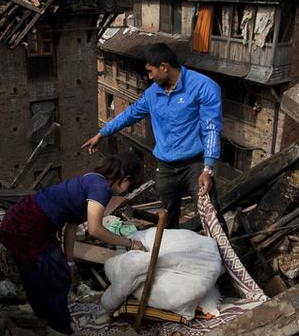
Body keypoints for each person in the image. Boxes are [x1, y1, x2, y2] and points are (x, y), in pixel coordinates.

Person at [81, 43, 224, 229]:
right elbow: (130, 114)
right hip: (165, 167)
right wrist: (102, 133)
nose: (149, 76)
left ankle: (225, 256)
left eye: (150, 71)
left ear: (163, 67)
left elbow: (211, 128)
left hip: (195, 165)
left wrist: (208, 169)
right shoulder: (152, 93)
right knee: (167, 218)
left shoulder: (203, 86)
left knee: (210, 214)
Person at [0, 152, 144, 334]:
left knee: (48, 273)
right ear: (125, 178)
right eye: (129, 187)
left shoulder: (91, 179)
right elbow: (95, 229)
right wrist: (129, 243)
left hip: (28, 222)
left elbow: (72, 225)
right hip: (25, 227)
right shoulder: (101, 189)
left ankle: (44, 322)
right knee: (52, 277)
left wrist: (69, 261)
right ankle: (58, 328)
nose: (126, 192)